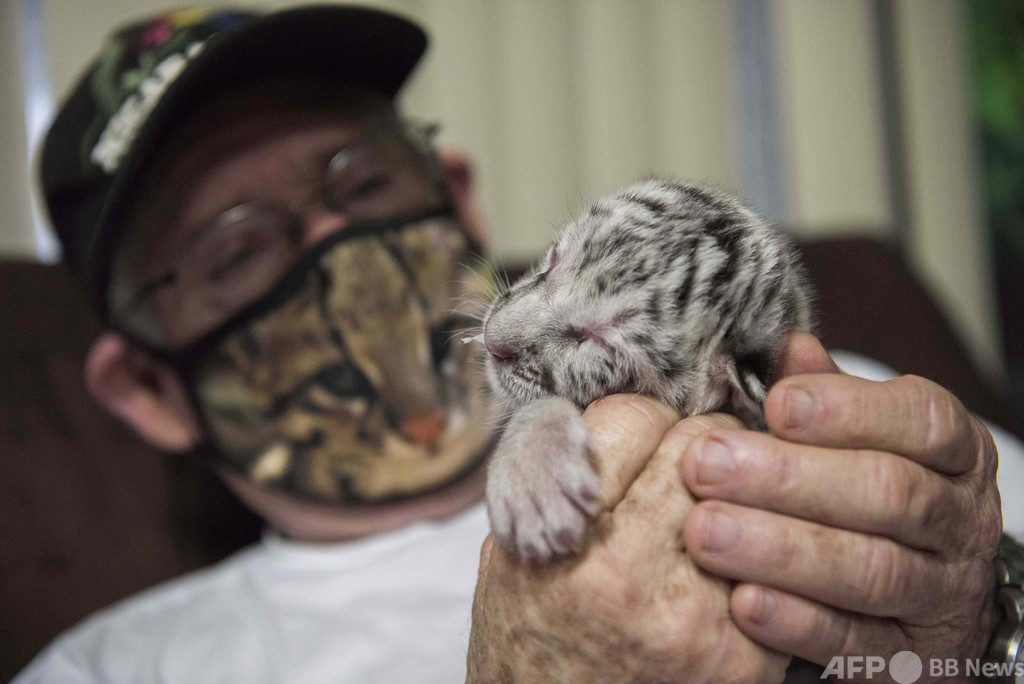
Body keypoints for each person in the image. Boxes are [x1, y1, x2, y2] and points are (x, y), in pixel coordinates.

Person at [15, 5, 1024, 683]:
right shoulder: (114, 668)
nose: (339, 254)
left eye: (360, 184)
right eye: (235, 251)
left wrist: (975, 632)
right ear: (147, 386)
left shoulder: (841, 405)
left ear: (454, 197)